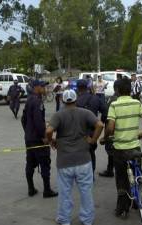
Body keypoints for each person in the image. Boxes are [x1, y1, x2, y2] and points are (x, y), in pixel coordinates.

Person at [46, 90, 104, 225]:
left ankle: (64, 219)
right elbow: (100, 125)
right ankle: (87, 220)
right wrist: (93, 140)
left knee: (65, 192)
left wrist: (52, 141)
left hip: (64, 160)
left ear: (62, 100)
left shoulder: (58, 115)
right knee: (86, 192)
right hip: (83, 159)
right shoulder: (85, 113)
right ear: (76, 100)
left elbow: (48, 131)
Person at [105, 78, 142, 218]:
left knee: (122, 179)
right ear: (130, 89)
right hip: (135, 147)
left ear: (117, 90)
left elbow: (111, 127)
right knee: (136, 175)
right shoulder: (137, 103)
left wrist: (106, 136)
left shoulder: (114, 105)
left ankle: (122, 208)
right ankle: (138, 202)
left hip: (120, 148)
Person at [22, 80, 58, 198]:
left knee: (30, 162)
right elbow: (38, 122)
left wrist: (28, 132)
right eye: (43, 87)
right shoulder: (37, 101)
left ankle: (30, 188)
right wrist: (44, 137)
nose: (45, 89)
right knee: (44, 163)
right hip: (38, 139)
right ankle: (47, 190)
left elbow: (23, 119)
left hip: (29, 138)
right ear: (37, 87)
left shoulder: (29, 99)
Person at [76, 79, 107, 174]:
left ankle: (80, 174)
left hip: (78, 132)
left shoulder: (75, 100)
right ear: (88, 87)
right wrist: (100, 121)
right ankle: (91, 173)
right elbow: (105, 111)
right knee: (91, 152)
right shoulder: (95, 98)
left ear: (78, 89)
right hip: (92, 132)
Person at [99, 81, 120, 178]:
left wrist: (104, 136)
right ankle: (111, 169)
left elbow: (105, 115)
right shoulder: (130, 99)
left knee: (111, 150)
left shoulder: (112, 100)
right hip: (123, 129)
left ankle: (110, 169)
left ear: (115, 88)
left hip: (112, 128)